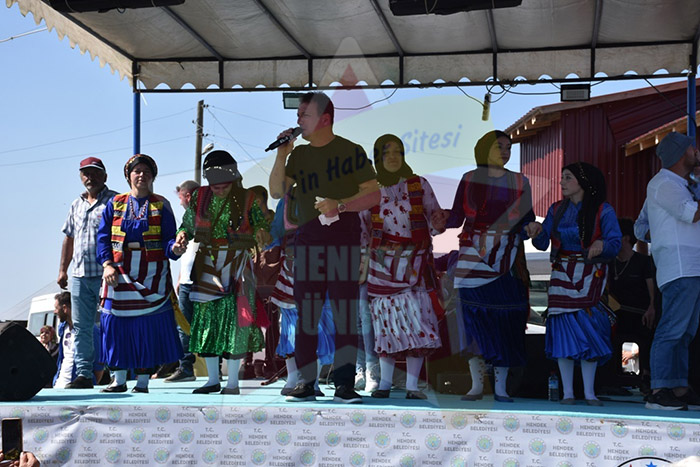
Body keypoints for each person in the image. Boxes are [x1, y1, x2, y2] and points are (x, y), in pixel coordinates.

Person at [269, 92, 380, 404]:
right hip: (307, 243)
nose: (298, 120)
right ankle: (307, 382)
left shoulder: (351, 150)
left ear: (324, 119)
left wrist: (340, 205)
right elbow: (276, 191)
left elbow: (373, 194)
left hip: (343, 242)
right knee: (307, 314)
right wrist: (282, 154)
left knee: (344, 315)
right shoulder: (299, 155)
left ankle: (344, 384)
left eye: (304, 114)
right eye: (298, 114)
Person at [445, 130, 534, 403]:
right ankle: (476, 385)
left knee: (505, 322)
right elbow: (455, 217)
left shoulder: (520, 181)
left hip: (507, 258)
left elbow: (527, 218)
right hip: (472, 258)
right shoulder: (469, 179)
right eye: (499, 147)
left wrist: (533, 227)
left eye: (509, 148)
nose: (505, 152)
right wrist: (437, 219)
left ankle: (501, 387)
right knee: (473, 322)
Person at [175, 150, 270, 395]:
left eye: (224, 186)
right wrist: (182, 234)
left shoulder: (248, 198)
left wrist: (260, 232)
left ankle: (233, 383)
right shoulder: (200, 196)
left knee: (234, 322)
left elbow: (261, 223)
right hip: (206, 263)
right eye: (214, 185)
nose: (218, 190)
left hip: (236, 263)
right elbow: (187, 223)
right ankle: (212, 380)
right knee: (206, 320)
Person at [527, 161, 621, 406]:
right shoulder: (556, 209)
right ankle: (567, 392)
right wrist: (537, 231)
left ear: (583, 181)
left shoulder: (603, 210)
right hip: (561, 274)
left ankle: (589, 392)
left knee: (590, 329)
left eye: (568, 177)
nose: (562, 182)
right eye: (562, 177)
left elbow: (615, 243)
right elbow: (542, 244)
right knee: (563, 332)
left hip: (591, 275)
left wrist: (602, 244)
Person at [360, 134, 444, 399]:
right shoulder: (369, 190)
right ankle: (384, 384)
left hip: (416, 264)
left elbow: (435, 217)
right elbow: (362, 230)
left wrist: (439, 223)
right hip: (382, 266)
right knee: (387, 323)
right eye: (387, 153)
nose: (393, 157)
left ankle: (411, 386)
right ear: (378, 158)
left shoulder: (419, 184)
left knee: (416, 321)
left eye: (397, 151)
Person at [96, 154, 185, 393]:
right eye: (137, 171)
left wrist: (175, 249)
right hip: (119, 272)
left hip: (151, 274)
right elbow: (103, 238)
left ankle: (143, 382)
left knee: (147, 327)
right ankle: (118, 380)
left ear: (153, 176)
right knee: (115, 324)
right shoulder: (115, 204)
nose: (141, 175)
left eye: (146, 171)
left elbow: (168, 241)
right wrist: (107, 264)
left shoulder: (161, 204)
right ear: (128, 176)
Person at [643, 132, 700, 411]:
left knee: (685, 331)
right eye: (692, 148)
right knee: (672, 329)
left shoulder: (681, 183)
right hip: (679, 266)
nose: (696, 151)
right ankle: (658, 390)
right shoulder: (664, 183)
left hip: (691, 266)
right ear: (680, 154)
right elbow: (692, 214)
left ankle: (677, 387)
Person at [57, 157, 117, 389]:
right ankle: (84, 374)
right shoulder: (76, 204)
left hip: (107, 274)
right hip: (80, 274)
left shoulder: (115, 201)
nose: (90, 177)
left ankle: (117, 372)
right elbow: (69, 238)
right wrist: (63, 269)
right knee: (81, 326)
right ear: (81, 177)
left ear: (105, 176)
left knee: (112, 324)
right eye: (86, 173)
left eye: (95, 173)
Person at [605, 217, 656, 393]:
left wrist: (652, 307)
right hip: (616, 315)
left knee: (648, 332)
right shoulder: (609, 262)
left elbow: (652, 291)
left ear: (626, 238)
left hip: (639, 313)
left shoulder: (643, 261)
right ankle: (610, 377)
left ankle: (646, 376)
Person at [164, 180, 200, 384]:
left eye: (180, 198)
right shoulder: (187, 220)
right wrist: (179, 277)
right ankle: (186, 366)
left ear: (187, 196)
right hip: (187, 280)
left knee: (207, 324)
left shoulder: (205, 215)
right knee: (184, 325)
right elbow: (186, 253)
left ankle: (211, 367)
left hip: (204, 280)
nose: (179, 203)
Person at [52, 291, 104, 388]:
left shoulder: (90, 330)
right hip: (59, 386)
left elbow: (99, 365)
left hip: (77, 388)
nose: (55, 312)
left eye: (56, 308)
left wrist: (88, 384)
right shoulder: (63, 328)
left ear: (65, 308)